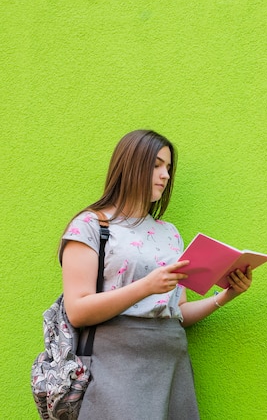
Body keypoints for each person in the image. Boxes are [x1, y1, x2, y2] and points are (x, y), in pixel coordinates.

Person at [60, 129, 253, 419]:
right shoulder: (90, 226)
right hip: (116, 364)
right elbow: (77, 310)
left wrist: (227, 295)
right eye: (156, 165)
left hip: (171, 361)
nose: (165, 175)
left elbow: (179, 312)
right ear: (130, 166)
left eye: (168, 168)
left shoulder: (169, 233)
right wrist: (147, 286)